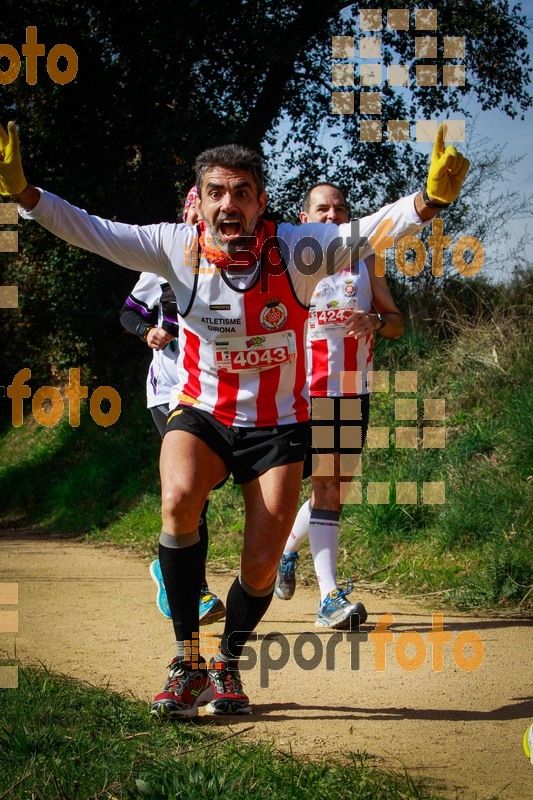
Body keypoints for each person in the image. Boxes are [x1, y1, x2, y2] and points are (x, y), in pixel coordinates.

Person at [2, 120, 469, 718]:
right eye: (217, 192)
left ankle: (227, 661)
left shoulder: (298, 249)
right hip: (201, 412)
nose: (230, 204)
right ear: (199, 202)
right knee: (177, 498)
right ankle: (186, 660)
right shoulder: (175, 245)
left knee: (261, 562)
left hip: (277, 424)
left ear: (261, 203)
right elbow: (93, 231)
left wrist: (429, 200)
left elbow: (370, 229)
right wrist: (24, 194)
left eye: (243, 192)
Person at [274, 182, 403, 630]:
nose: (332, 215)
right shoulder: (286, 261)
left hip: (351, 389)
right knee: (321, 486)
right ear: (305, 216)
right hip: (301, 394)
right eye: (322, 209)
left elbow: (397, 323)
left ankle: (288, 555)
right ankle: (328, 597)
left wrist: (376, 320)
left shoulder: (366, 258)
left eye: (340, 208)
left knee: (332, 488)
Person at [119, 260, 225, 626]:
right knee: (191, 487)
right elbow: (128, 312)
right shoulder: (163, 262)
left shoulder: (234, 268)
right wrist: (147, 331)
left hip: (210, 393)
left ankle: (171, 570)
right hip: (168, 393)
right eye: (193, 210)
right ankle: (195, 590)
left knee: (205, 487)